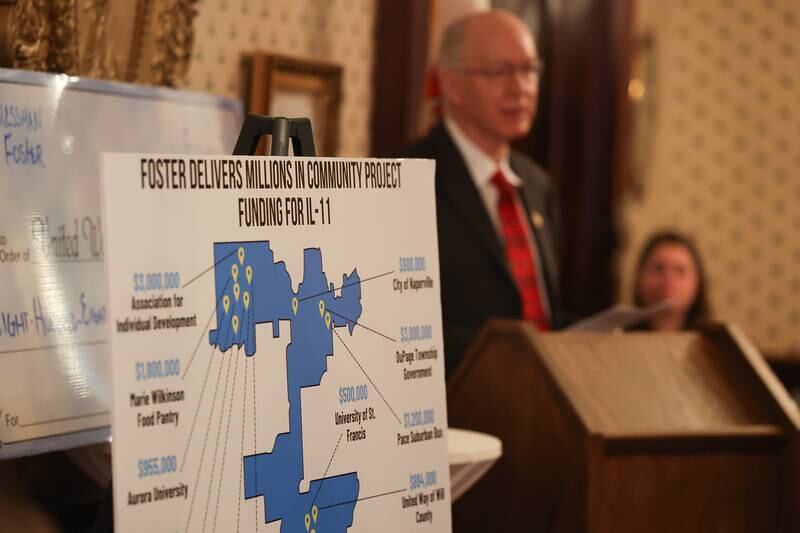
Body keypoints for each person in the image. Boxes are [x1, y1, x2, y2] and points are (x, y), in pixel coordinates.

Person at [398, 10, 560, 377]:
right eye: (500, 72)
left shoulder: (538, 185)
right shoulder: (406, 178)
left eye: (530, 70)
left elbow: (539, 315)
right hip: (458, 410)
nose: (520, 88)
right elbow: (400, 327)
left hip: (544, 407)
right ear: (452, 85)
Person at [632, 231, 711, 331]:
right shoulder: (617, 339)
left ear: (697, 284)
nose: (668, 281)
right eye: (658, 268)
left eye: (680, 270)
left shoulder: (717, 344)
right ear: (640, 278)